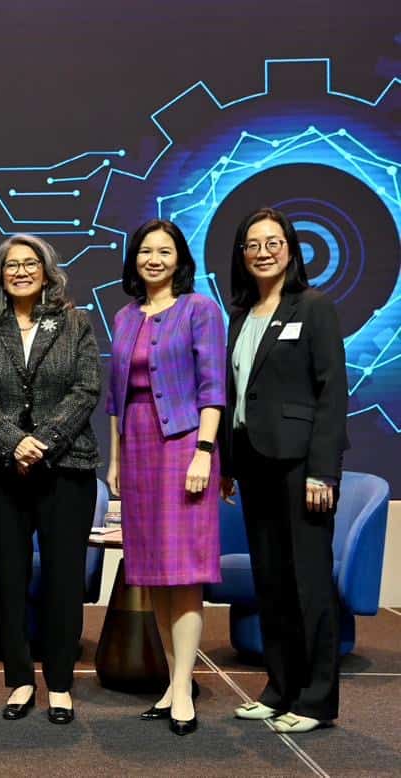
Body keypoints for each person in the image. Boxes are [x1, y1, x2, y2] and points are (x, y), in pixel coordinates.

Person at [221, 207, 348, 734]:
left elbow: (332, 393)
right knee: (271, 582)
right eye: (252, 244)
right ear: (242, 255)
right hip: (254, 463)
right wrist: (227, 463)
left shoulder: (313, 307)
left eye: (273, 242)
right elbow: (236, 393)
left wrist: (323, 472)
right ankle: (279, 689)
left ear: (291, 249)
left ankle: (315, 701)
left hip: (300, 467)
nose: (263, 252)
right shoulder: (241, 314)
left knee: (308, 584)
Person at [0, 235, 100, 725]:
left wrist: (40, 442)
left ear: (47, 272)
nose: (21, 271)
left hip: (66, 468)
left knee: (64, 578)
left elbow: (86, 388)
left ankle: (60, 684)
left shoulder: (75, 323)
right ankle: (20, 679)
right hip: (1, 470)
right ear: (0, 275)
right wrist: (12, 443)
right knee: (10, 579)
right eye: (11, 265)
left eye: (30, 264)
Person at [105, 220, 225, 736]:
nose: (154, 259)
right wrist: (115, 460)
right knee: (153, 572)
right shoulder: (124, 316)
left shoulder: (200, 309)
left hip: (184, 446)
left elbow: (213, 387)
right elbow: (116, 398)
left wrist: (204, 452)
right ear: (134, 259)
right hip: (136, 449)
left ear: (180, 259)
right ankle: (174, 685)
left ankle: (182, 689)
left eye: (164, 251)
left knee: (185, 572)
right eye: (145, 251)